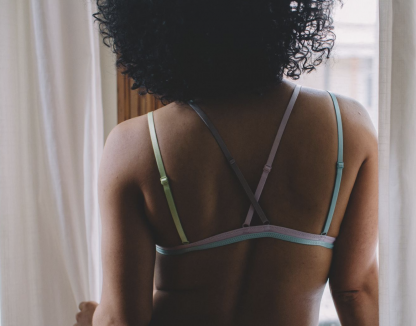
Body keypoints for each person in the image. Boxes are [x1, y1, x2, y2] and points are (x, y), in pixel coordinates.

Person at [76, 0, 378, 325]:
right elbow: (355, 292)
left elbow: (122, 320)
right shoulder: (349, 127)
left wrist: (93, 320)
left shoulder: (134, 145)